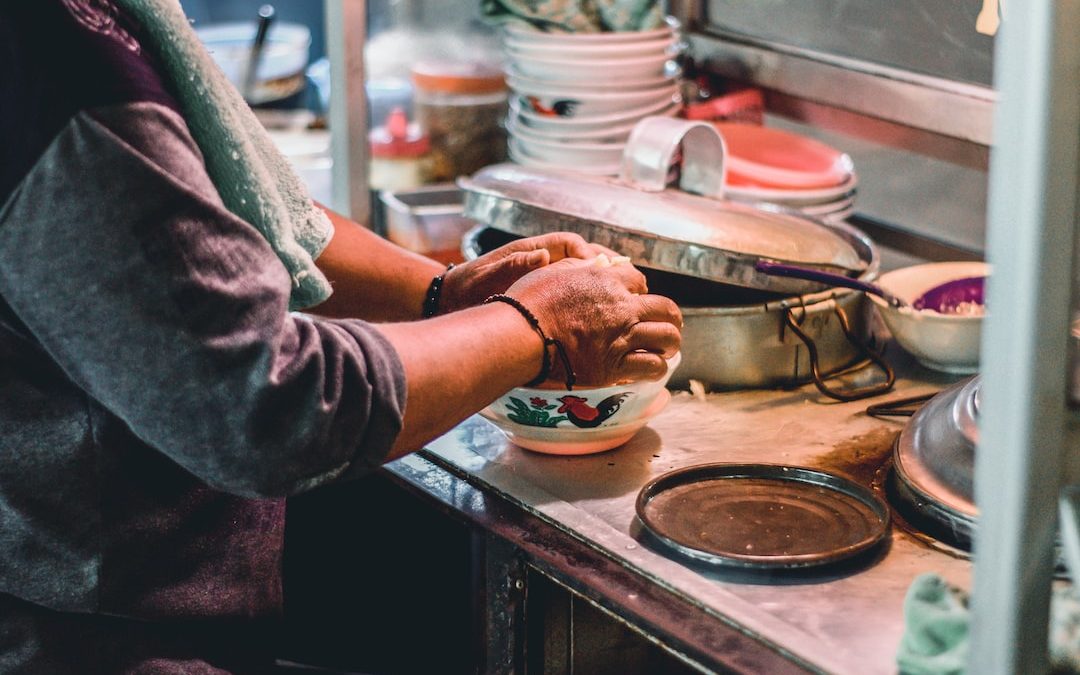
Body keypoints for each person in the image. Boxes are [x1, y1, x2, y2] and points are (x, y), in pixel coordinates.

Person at [0, 2, 682, 673]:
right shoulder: (52, 61)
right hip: (86, 638)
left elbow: (236, 208)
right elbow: (262, 401)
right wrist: (532, 326)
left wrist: (443, 292)